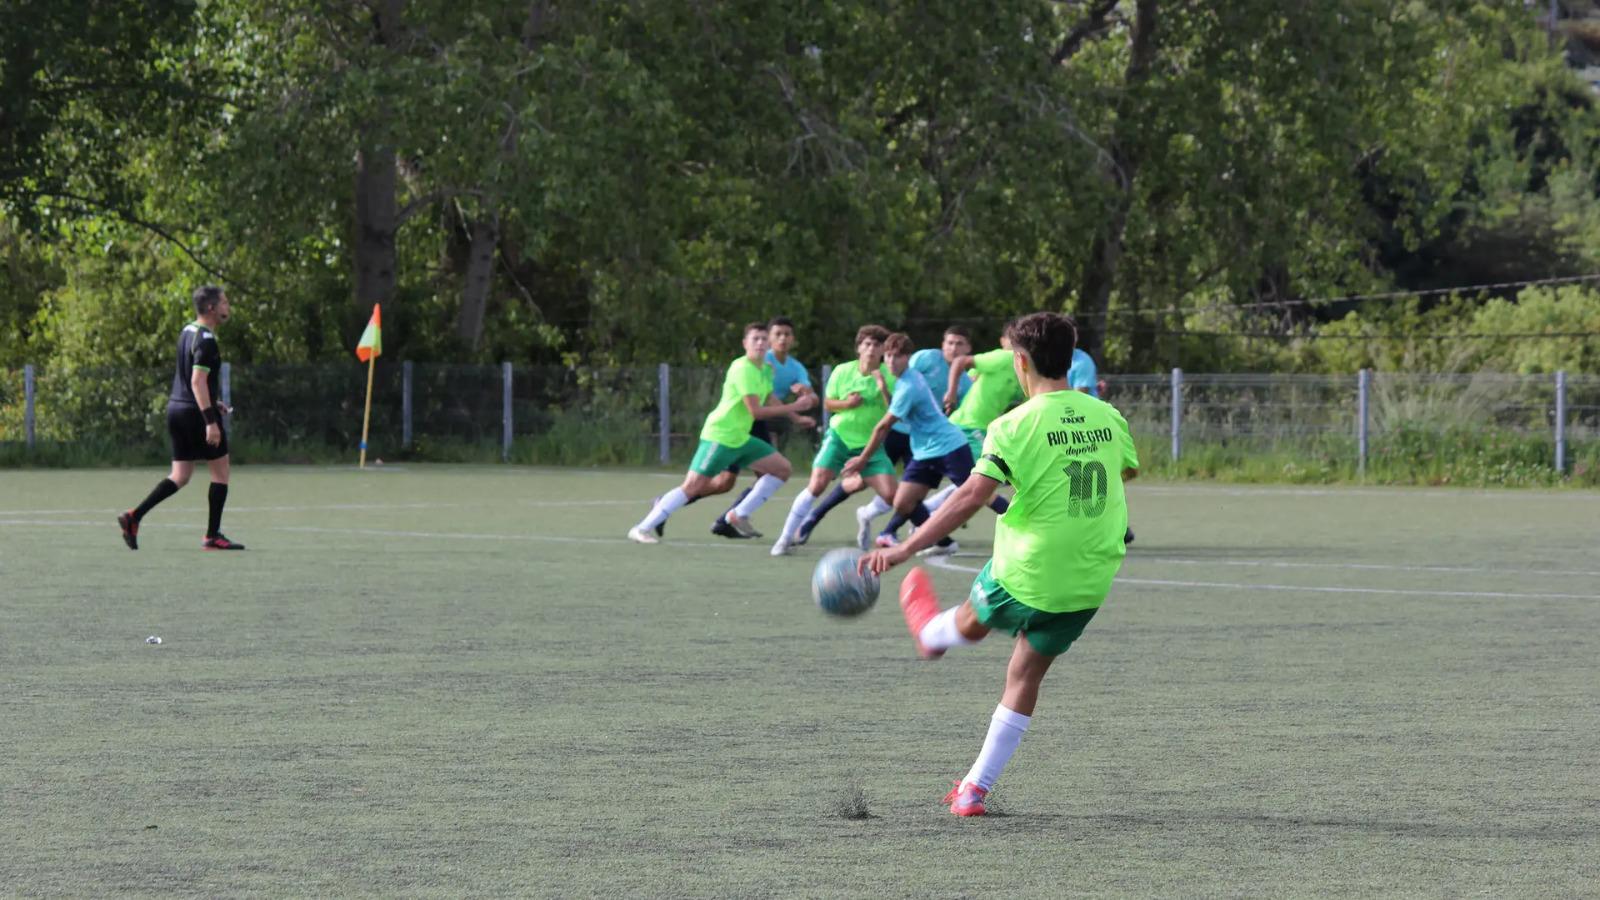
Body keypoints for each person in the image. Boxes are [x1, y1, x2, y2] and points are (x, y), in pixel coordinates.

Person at [859, 311, 1139, 817]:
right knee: (1025, 674)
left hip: (1029, 570)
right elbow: (1127, 470)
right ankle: (973, 790)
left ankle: (932, 635)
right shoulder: (1108, 415)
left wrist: (903, 547)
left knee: (972, 621)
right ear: (1071, 359)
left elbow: (970, 496)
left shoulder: (1012, 425)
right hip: (1091, 578)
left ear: (1019, 361)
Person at [629, 321, 815, 544]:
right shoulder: (742, 368)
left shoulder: (766, 369)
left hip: (741, 438)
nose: (760, 343)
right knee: (692, 486)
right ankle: (641, 528)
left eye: (764, 339)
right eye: (755, 339)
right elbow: (755, 411)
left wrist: (796, 416)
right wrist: (795, 407)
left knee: (782, 469)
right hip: (721, 436)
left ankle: (738, 514)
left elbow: (768, 398)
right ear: (745, 343)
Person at [841, 333, 1008, 553]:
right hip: (925, 452)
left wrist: (862, 459)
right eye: (888, 356)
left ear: (908, 358)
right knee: (902, 503)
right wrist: (883, 389)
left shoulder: (910, 385)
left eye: (897, 357)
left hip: (950, 447)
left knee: (980, 495)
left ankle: (1024, 523)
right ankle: (942, 542)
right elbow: (898, 412)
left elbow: (883, 427)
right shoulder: (905, 381)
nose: (891, 361)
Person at [806, 325, 972, 545]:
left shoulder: (965, 382)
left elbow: (959, 410)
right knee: (860, 480)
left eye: (959, 344)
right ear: (942, 345)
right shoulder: (925, 359)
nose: (954, 348)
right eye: (950, 342)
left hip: (919, 438)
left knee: (909, 491)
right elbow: (897, 391)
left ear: (968, 348)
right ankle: (815, 516)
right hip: (893, 432)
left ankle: (891, 531)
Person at [117, 285, 246, 551]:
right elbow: (198, 382)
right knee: (221, 473)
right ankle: (212, 535)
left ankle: (134, 516)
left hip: (177, 409)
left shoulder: (187, 332)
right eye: (224, 302)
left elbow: (192, 381)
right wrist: (210, 420)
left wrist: (213, 401)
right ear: (211, 307)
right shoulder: (207, 340)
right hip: (195, 414)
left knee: (180, 475)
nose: (227, 307)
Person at [769, 325, 897, 556]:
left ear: (882, 351)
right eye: (867, 344)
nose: (871, 349)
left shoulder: (889, 376)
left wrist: (883, 387)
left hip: (870, 445)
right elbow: (828, 403)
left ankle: (865, 513)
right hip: (839, 438)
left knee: (892, 496)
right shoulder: (843, 371)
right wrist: (847, 404)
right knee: (817, 484)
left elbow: (895, 411)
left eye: (877, 345)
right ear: (859, 348)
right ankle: (785, 538)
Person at [705, 316, 817, 538]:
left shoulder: (795, 367)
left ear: (793, 339)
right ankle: (726, 516)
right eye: (777, 334)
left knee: (729, 481)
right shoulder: (760, 361)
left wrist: (806, 394)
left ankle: (728, 518)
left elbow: (812, 398)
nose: (782, 339)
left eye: (787, 334)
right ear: (768, 339)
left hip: (764, 421)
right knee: (752, 476)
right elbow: (767, 398)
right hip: (747, 422)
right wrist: (794, 414)